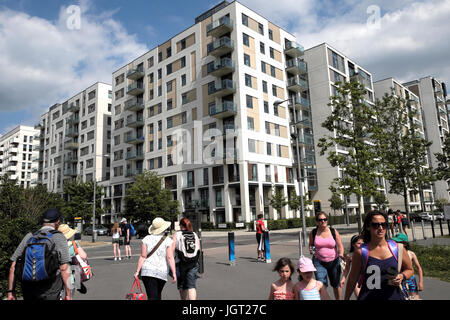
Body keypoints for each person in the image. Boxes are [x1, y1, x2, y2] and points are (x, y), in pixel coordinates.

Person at [344, 210, 414, 300]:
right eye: (375, 225)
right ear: (368, 227)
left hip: (395, 297)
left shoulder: (398, 248)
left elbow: (409, 269)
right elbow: (352, 279)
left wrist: (401, 276)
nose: (380, 228)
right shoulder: (361, 252)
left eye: (383, 225)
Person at [7, 208, 72, 300]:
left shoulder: (29, 236)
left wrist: (11, 292)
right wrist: (68, 294)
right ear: (57, 222)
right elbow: (64, 268)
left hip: (28, 288)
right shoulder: (58, 237)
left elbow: (13, 266)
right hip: (50, 288)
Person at [134, 217, 177, 300]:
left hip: (147, 271)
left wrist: (137, 271)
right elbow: (170, 257)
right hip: (162, 271)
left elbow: (143, 256)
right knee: (157, 294)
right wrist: (174, 273)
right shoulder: (168, 240)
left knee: (152, 296)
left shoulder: (146, 239)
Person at [308, 211, 344, 300]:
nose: (323, 221)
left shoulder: (333, 231)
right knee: (321, 284)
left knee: (336, 284)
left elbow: (340, 245)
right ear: (317, 222)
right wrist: (311, 249)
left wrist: (341, 254)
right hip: (318, 262)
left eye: (325, 219)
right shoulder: (313, 232)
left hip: (334, 261)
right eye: (320, 220)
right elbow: (311, 244)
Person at [171, 217, 201, 300]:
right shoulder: (194, 234)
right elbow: (199, 249)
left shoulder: (177, 234)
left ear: (180, 225)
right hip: (193, 263)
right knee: (192, 286)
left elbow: (172, 249)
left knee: (183, 286)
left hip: (181, 264)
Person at [58, 223, 88, 299]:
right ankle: (79, 284)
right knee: (69, 296)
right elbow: (84, 256)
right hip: (70, 276)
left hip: (57, 277)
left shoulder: (56, 245)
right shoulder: (73, 244)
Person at [392, 233, 424, 300]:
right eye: (395, 242)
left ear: (405, 244)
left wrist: (421, 282)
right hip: (400, 279)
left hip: (411, 279)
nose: (396, 244)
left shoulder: (411, 254)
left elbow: (419, 268)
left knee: (415, 298)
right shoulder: (394, 253)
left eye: (399, 242)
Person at [339, 235, 364, 299]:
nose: (361, 245)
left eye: (363, 243)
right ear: (353, 244)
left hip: (365, 278)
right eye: (358, 243)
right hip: (355, 278)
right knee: (359, 297)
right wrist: (343, 278)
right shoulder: (349, 256)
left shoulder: (366, 253)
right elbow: (347, 268)